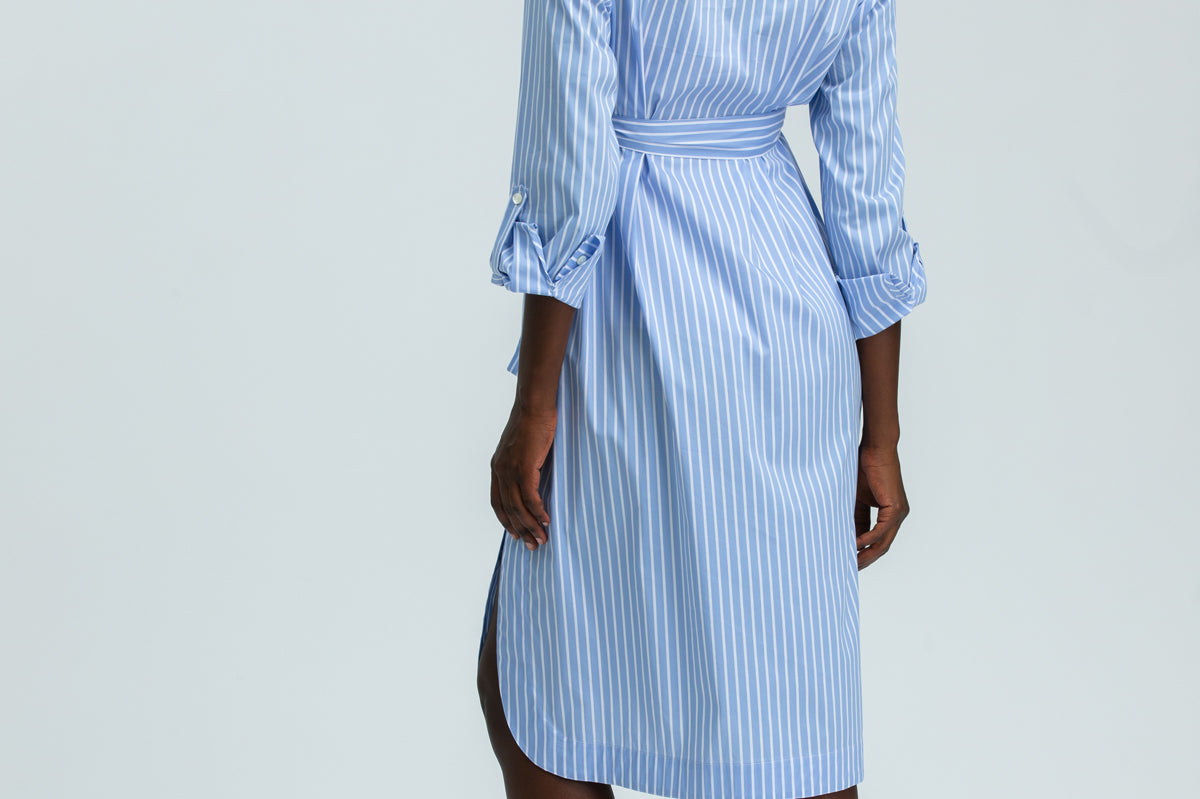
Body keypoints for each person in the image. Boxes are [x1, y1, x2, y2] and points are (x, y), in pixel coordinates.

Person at [476, 0, 928, 797]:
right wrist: (880, 432)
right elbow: (866, 190)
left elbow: (572, 169)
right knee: (784, 697)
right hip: (786, 307)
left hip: (626, 308)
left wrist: (536, 402)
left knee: (547, 678)